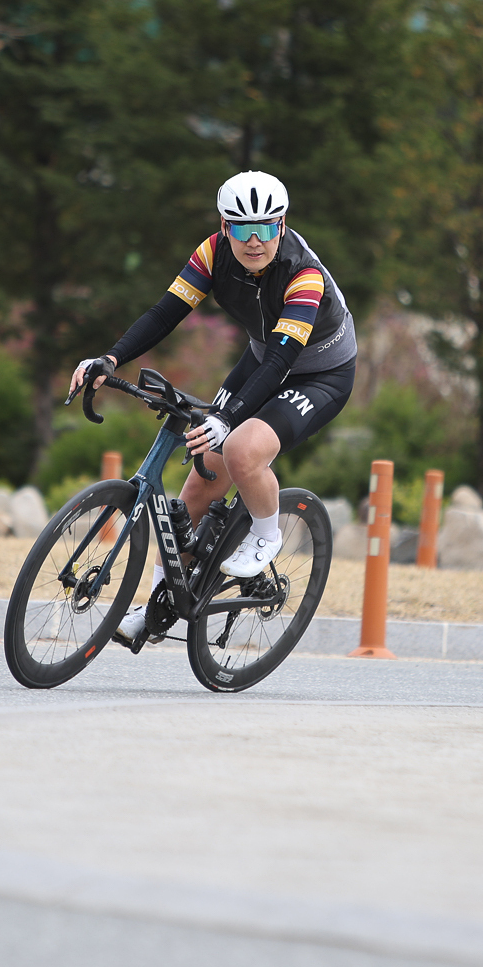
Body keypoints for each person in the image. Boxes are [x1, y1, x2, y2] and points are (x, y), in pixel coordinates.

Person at [68, 171, 357, 648]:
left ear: (282, 225)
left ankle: (265, 534)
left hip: (320, 374)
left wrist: (228, 418)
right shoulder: (211, 253)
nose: (254, 240)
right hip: (264, 356)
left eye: (266, 227)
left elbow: (284, 361)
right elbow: (165, 313)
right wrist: (111, 359)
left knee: (241, 449)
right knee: (201, 478)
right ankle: (158, 603)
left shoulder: (303, 275)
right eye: (242, 228)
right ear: (225, 227)